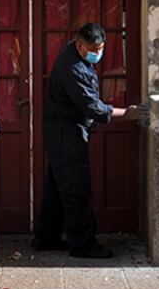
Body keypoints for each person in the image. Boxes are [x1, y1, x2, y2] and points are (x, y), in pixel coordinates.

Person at [32, 22, 137, 258]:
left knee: (57, 187)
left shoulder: (77, 57)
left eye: (101, 48)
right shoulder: (72, 68)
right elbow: (92, 108)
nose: (97, 53)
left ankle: (46, 238)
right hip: (66, 131)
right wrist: (127, 113)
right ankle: (83, 244)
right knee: (76, 187)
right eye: (92, 49)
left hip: (63, 129)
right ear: (79, 44)